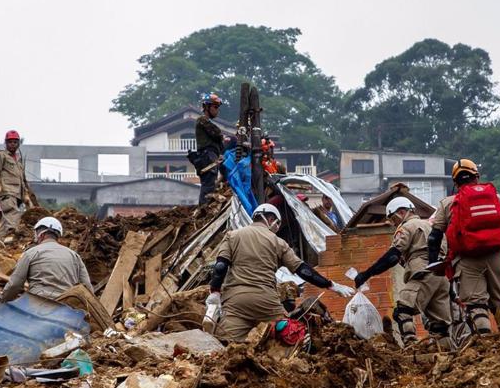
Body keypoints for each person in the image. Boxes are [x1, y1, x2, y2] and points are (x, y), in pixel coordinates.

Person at [207, 204, 354, 342]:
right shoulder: (278, 242)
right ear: (270, 219)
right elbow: (303, 270)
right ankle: (279, 329)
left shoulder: (232, 236)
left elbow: (220, 266)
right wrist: (331, 285)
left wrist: (214, 293)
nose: (277, 228)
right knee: (291, 334)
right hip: (266, 301)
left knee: (226, 346)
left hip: (235, 302)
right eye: (277, 224)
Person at [427, 159, 500, 335]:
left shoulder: (447, 203)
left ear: (455, 182)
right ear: (476, 177)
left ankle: (486, 350)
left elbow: (434, 237)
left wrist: (433, 262)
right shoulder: (493, 197)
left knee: (477, 307)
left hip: (466, 260)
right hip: (495, 257)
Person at [352, 197, 451, 346]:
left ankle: (411, 348)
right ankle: (449, 356)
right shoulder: (433, 227)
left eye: (393, 219)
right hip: (441, 279)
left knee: (402, 311)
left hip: (422, 273)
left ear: (402, 212)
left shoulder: (407, 227)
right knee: (440, 326)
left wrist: (367, 274)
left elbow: (392, 257)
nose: (393, 223)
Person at [0, 217, 93, 303]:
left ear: (41, 235)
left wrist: (1, 302)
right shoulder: (74, 256)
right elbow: (88, 288)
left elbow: (14, 285)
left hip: (37, 305)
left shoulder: (31, 253)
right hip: (66, 307)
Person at [0, 130, 32, 236]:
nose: (12, 144)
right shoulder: (1, 155)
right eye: (10, 142)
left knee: (6, 219)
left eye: (15, 142)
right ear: (6, 143)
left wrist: (25, 194)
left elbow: (21, 179)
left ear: (18, 144)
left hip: (17, 194)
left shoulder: (18, 161)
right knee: (13, 214)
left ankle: (1, 239)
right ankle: (10, 237)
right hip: (7, 191)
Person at [193, 93, 225, 204]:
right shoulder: (202, 120)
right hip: (207, 156)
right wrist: (222, 138)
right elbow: (217, 133)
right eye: (215, 107)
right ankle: (204, 208)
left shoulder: (206, 122)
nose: (217, 110)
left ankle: (207, 205)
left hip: (211, 156)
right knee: (208, 184)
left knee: (212, 183)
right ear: (207, 107)